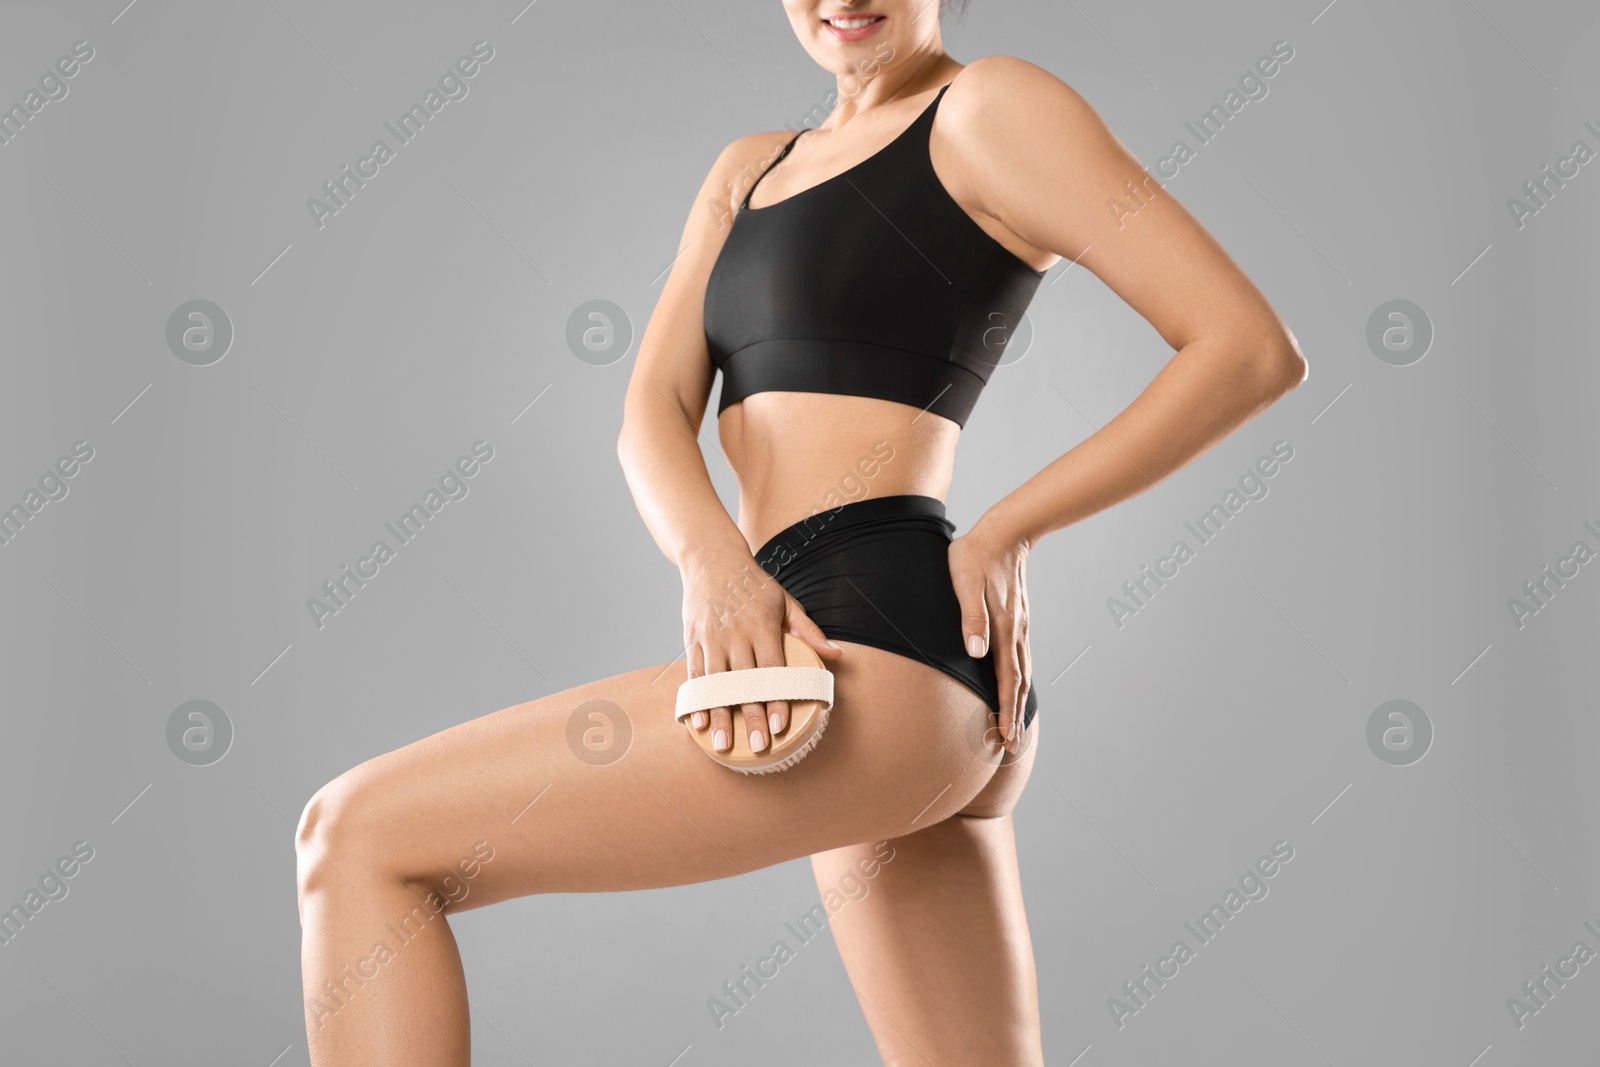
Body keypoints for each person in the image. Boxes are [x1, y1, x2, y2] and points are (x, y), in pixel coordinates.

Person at [295, 1, 1307, 1063]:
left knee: (356, 836)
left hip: (874, 644)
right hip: (824, 649)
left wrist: (1010, 528)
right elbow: (649, 411)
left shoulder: (987, 109)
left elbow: (1245, 347)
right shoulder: (749, 169)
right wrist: (711, 564)